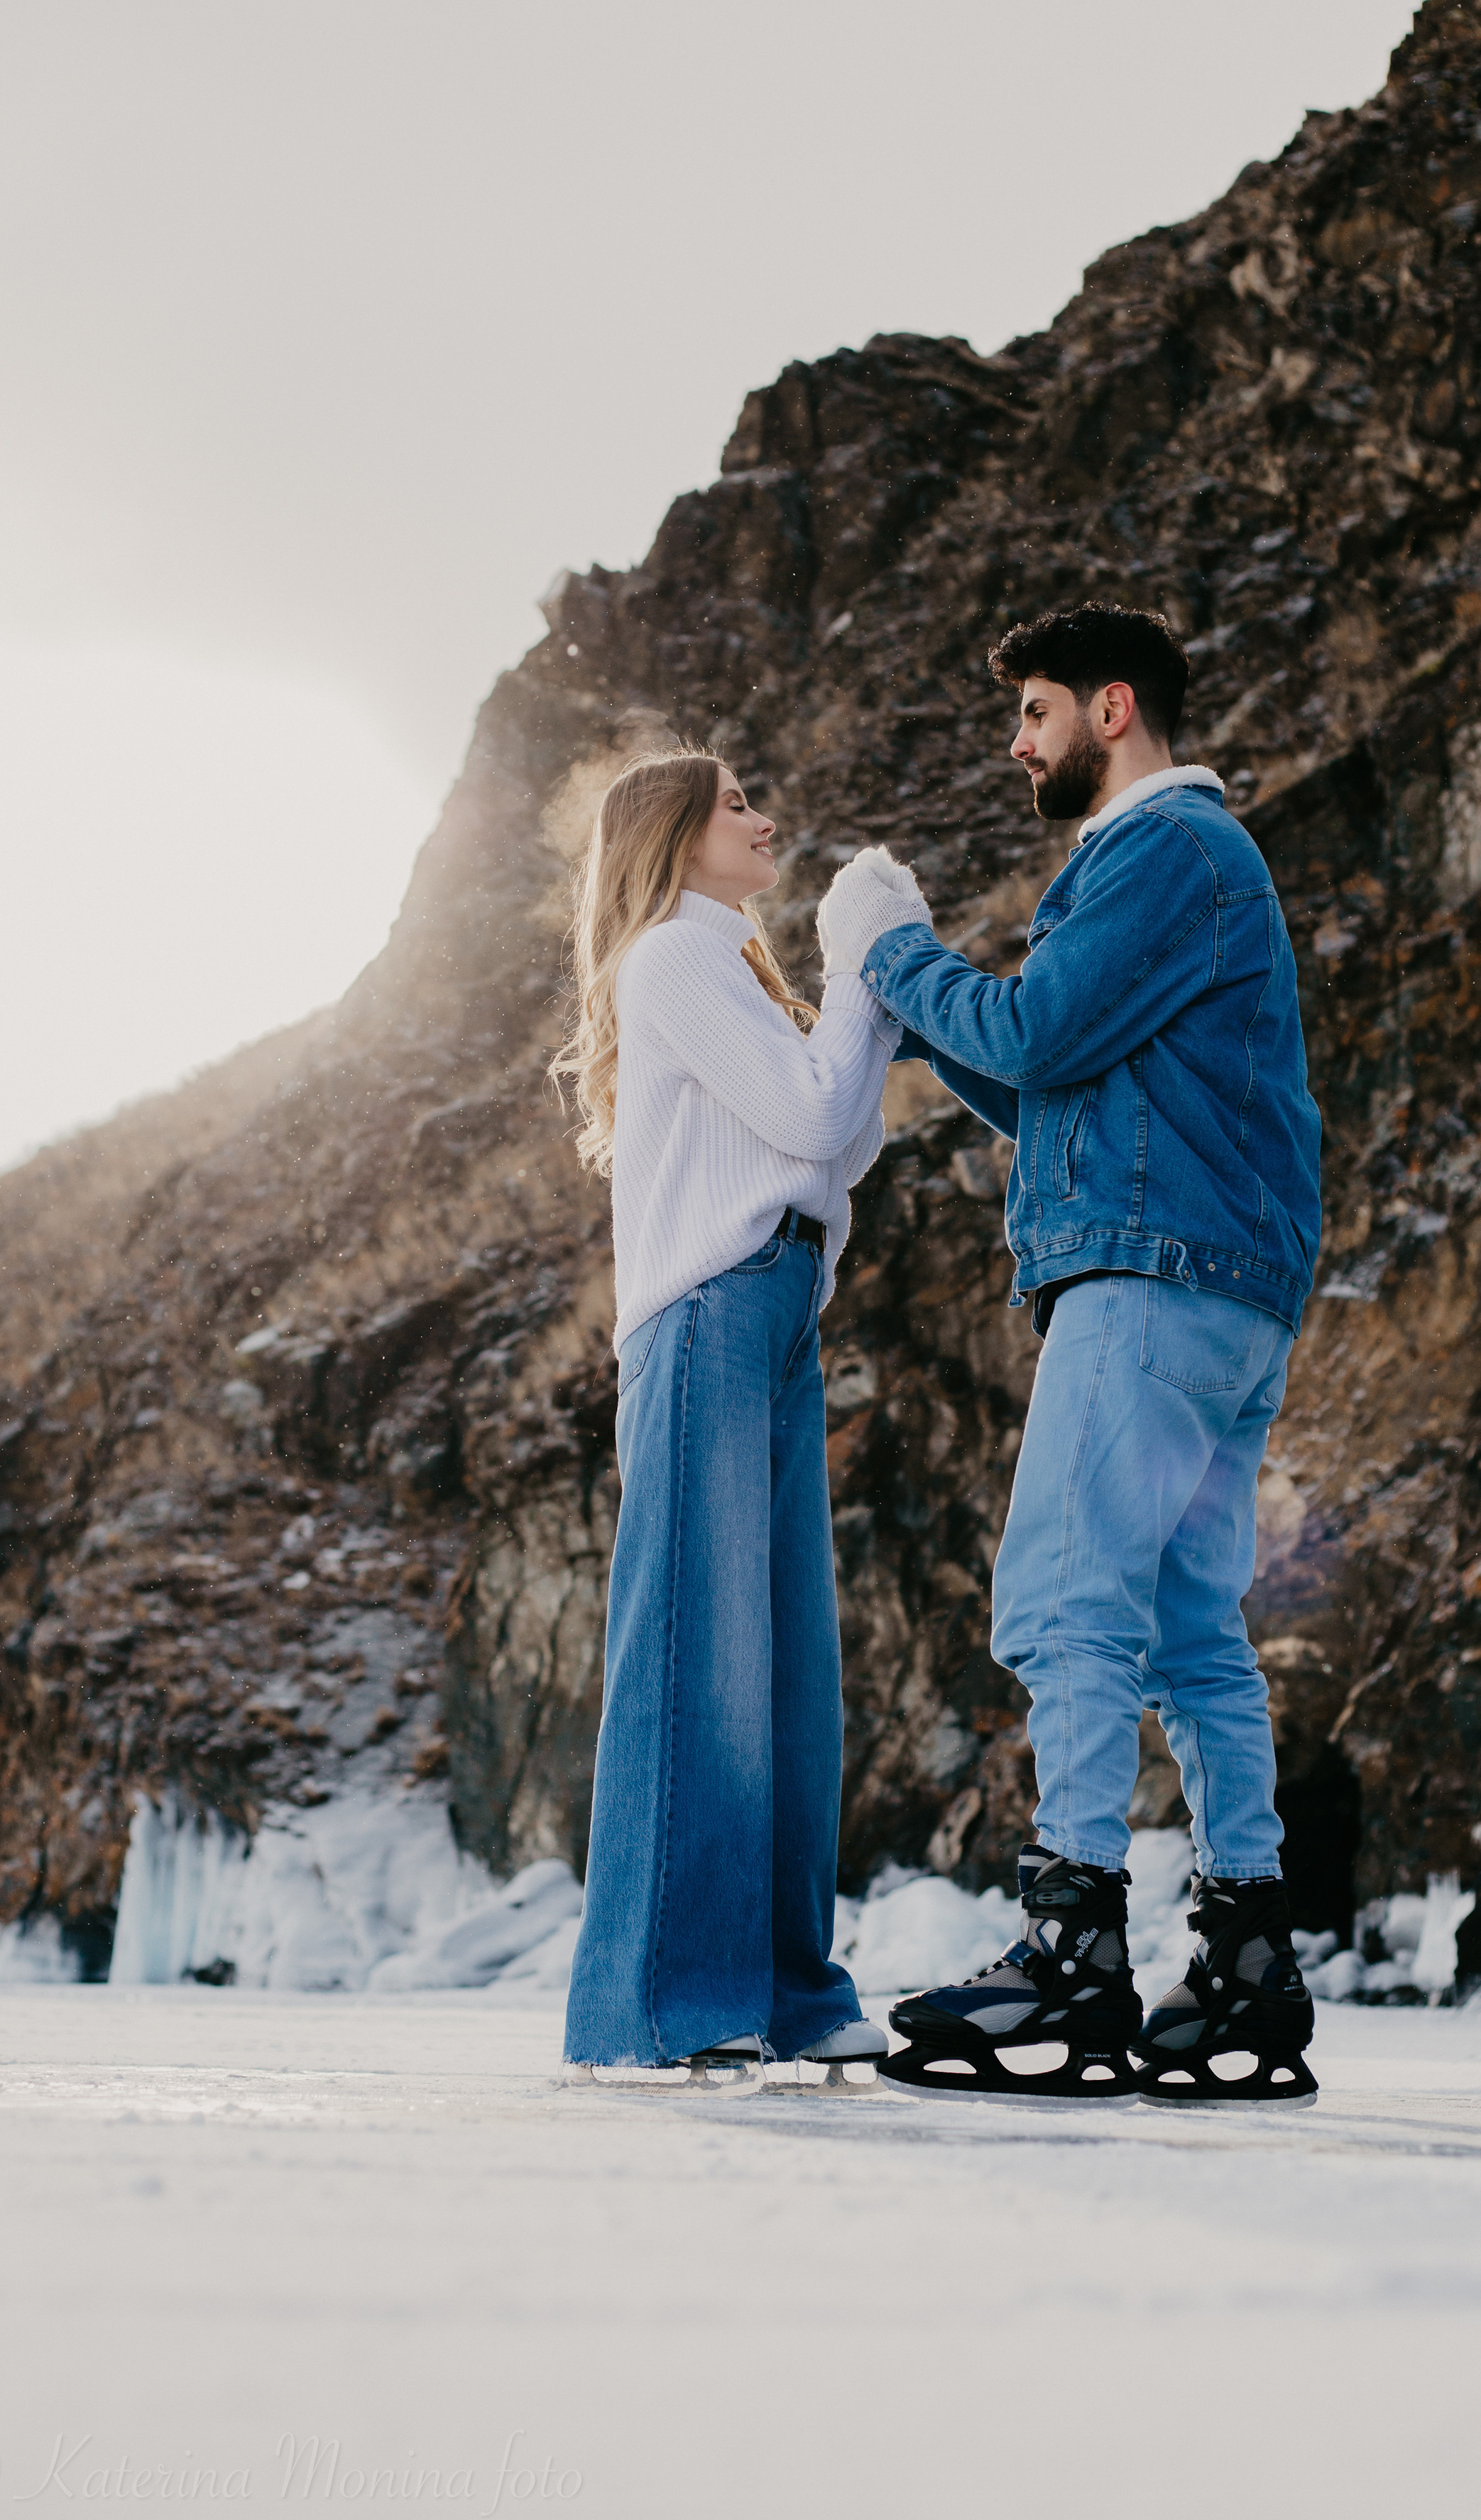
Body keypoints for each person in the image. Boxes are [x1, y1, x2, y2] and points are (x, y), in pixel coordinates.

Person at [814, 601, 1325, 2104]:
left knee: (1065, 1599)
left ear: (1113, 710)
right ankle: (1244, 1948)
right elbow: (1056, 1082)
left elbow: (1036, 1036)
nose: (1012, 743)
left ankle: (1070, 1951)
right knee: (1186, 1624)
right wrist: (913, 1018)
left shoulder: (1160, 850)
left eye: (1031, 713)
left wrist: (894, 954)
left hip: (1149, 1284)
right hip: (1219, 1291)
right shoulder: (1188, 867)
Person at [554, 747, 922, 2086]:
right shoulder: (671, 957)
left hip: (768, 1310)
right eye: (736, 808)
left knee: (786, 1678)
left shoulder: (725, 965)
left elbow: (837, 1139)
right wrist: (863, 957)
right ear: (674, 837)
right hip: (710, 1305)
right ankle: (667, 2000)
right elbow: (821, 1107)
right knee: (700, 1663)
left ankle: (786, 1983)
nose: (764, 822)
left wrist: (857, 991)